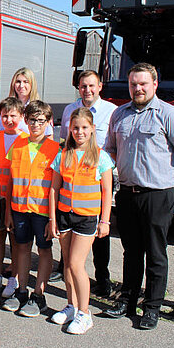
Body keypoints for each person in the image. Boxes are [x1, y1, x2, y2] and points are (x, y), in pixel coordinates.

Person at [103, 63, 174, 330]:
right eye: (134, 84)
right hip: (127, 194)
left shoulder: (169, 114)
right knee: (131, 251)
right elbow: (110, 150)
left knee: (156, 253)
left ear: (155, 84)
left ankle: (152, 306)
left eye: (143, 84)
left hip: (158, 195)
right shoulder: (119, 115)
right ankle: (128, 299)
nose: (138, 88)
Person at [51, 70, 117, 295]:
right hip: (74, 172)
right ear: (78, 88)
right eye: (83, 86)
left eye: (91, 86)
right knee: (69, 242)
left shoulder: (111, 111)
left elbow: (115, 142)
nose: (87, 90)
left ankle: (102, 276)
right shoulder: (70, 109)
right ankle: (64, 269)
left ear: (99, 87)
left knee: (98, 232)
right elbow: (64, 140)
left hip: (98, 170)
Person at [48, 107, 114, 334]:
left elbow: (107, 191)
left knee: (77, 264)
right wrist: (53, 218)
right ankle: (71, 306)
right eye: (75, 127)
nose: (80, 132)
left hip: (87, 218)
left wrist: (105, 221)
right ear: (70, 129)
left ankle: (85, 314)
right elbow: (54, 189)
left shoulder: (101, 156)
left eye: (84, 127)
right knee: (67, 264)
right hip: (65, 214)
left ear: (92, 129)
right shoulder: (63, 154)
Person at [3, 101, 60, 317]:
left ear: (48, 122)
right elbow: (10, 182)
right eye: (32, 120)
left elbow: (56, 187)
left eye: (41, 120)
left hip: (43, 212)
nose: (36, 124)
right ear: (26, 121)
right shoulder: (18, 144)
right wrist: (8, 212)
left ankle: (39, 295)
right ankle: (21, 291)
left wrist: (53, 218)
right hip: (19, 209)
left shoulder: (55, 149)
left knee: (44, 250)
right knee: (22, 248)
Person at [0, 97, 27, 297]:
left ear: (21, 116)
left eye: (13, 116)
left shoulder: (26, 140)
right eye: (5, 116)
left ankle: (14, 277)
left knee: (16, 240)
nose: (9, 119)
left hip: (17, 197)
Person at [0, 67, 52, 136]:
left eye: (26, 82)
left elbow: (48, 136)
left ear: (32, 84)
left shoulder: (40, 108)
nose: (21, 85)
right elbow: (0, 133)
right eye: (18, 82)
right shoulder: (6, 107)